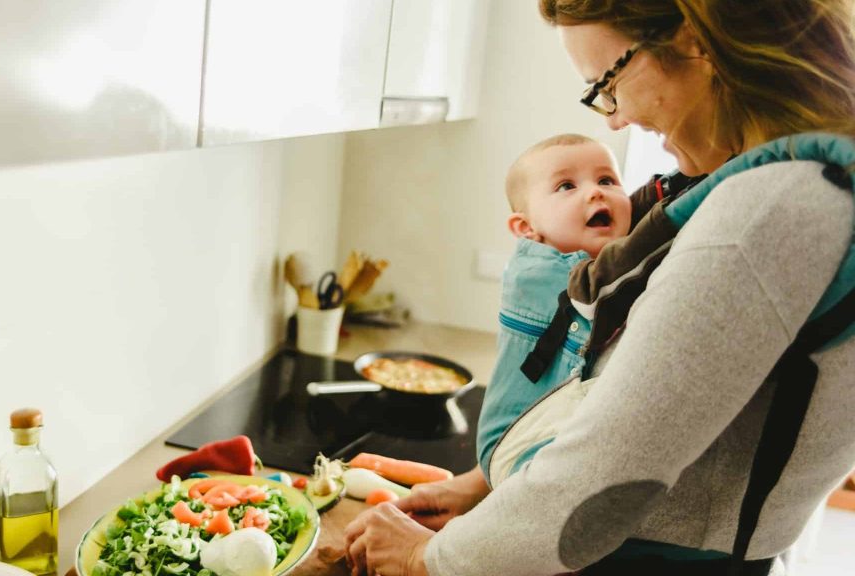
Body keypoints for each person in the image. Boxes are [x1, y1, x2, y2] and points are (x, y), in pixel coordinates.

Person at [343, 1, 855, 575]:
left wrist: (425, 558)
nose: (613, 118)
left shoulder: (764, 214)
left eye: (606, 83)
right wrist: (486, 486)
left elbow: (605, 478)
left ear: (695, 41)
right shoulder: (810, 182)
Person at [479, 132, 688, 485]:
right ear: (526, 228)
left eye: (607, 180)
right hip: (518, 446)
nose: (595, 191)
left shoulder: (585, 255)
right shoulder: (536, 273)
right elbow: (618, 271)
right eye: (566, 186)